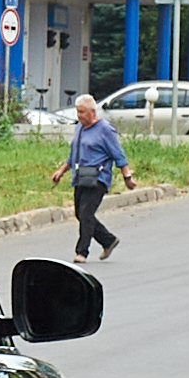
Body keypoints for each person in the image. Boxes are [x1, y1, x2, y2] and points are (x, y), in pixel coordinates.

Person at [58, 93, 133, 261]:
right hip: (81, 177)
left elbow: (118, 154)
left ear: (92, 111)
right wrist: (62, 170)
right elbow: (73, 153)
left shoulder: (105, 129)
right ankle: (108, 240)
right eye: (78, 112)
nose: (79, 116)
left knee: (86, 213)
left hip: (98, 178)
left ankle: (82, 252)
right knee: (81, 214)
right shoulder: (79, 127)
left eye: (82, 112)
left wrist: (127, 176)